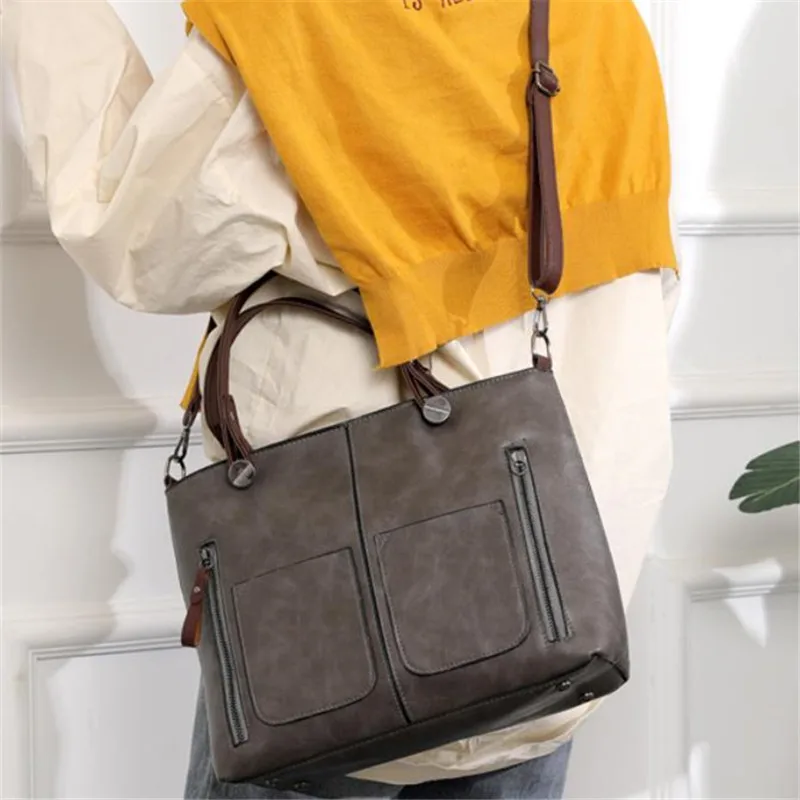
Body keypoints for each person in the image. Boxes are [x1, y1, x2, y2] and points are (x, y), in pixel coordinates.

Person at [3, 1, 680, 797]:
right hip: (551, 611)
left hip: (332, 644)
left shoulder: (298, 20)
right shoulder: (600, 20)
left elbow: (141, 237)